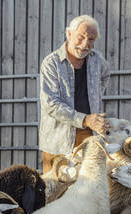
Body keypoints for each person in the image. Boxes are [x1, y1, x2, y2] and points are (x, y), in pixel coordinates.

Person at [39, 15, 111, 173]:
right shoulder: (51, 63)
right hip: (57, 141)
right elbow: (51, 104)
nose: (85, 44)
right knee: (55, 192)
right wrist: (85, 119)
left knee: (86, 187)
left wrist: (95, 97)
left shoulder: (97, 60)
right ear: (69, 34)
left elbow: (106, 76)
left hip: (89, 137)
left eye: (91, 39)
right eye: (81, 37)